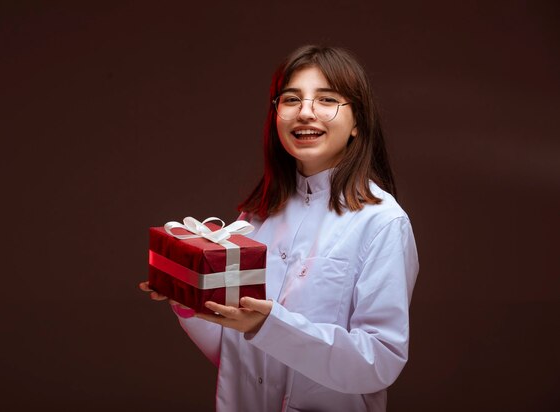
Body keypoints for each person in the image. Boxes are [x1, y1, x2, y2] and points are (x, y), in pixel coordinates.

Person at [140, 45, 419, 412]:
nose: (305, 112)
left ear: (357, 123)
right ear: (276, 115)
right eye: (291, 99)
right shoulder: (255, 216)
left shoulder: (382, 222)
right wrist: (189, 299)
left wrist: (272, 325)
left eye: (327, 99)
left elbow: (379, 361)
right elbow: (236, 353)